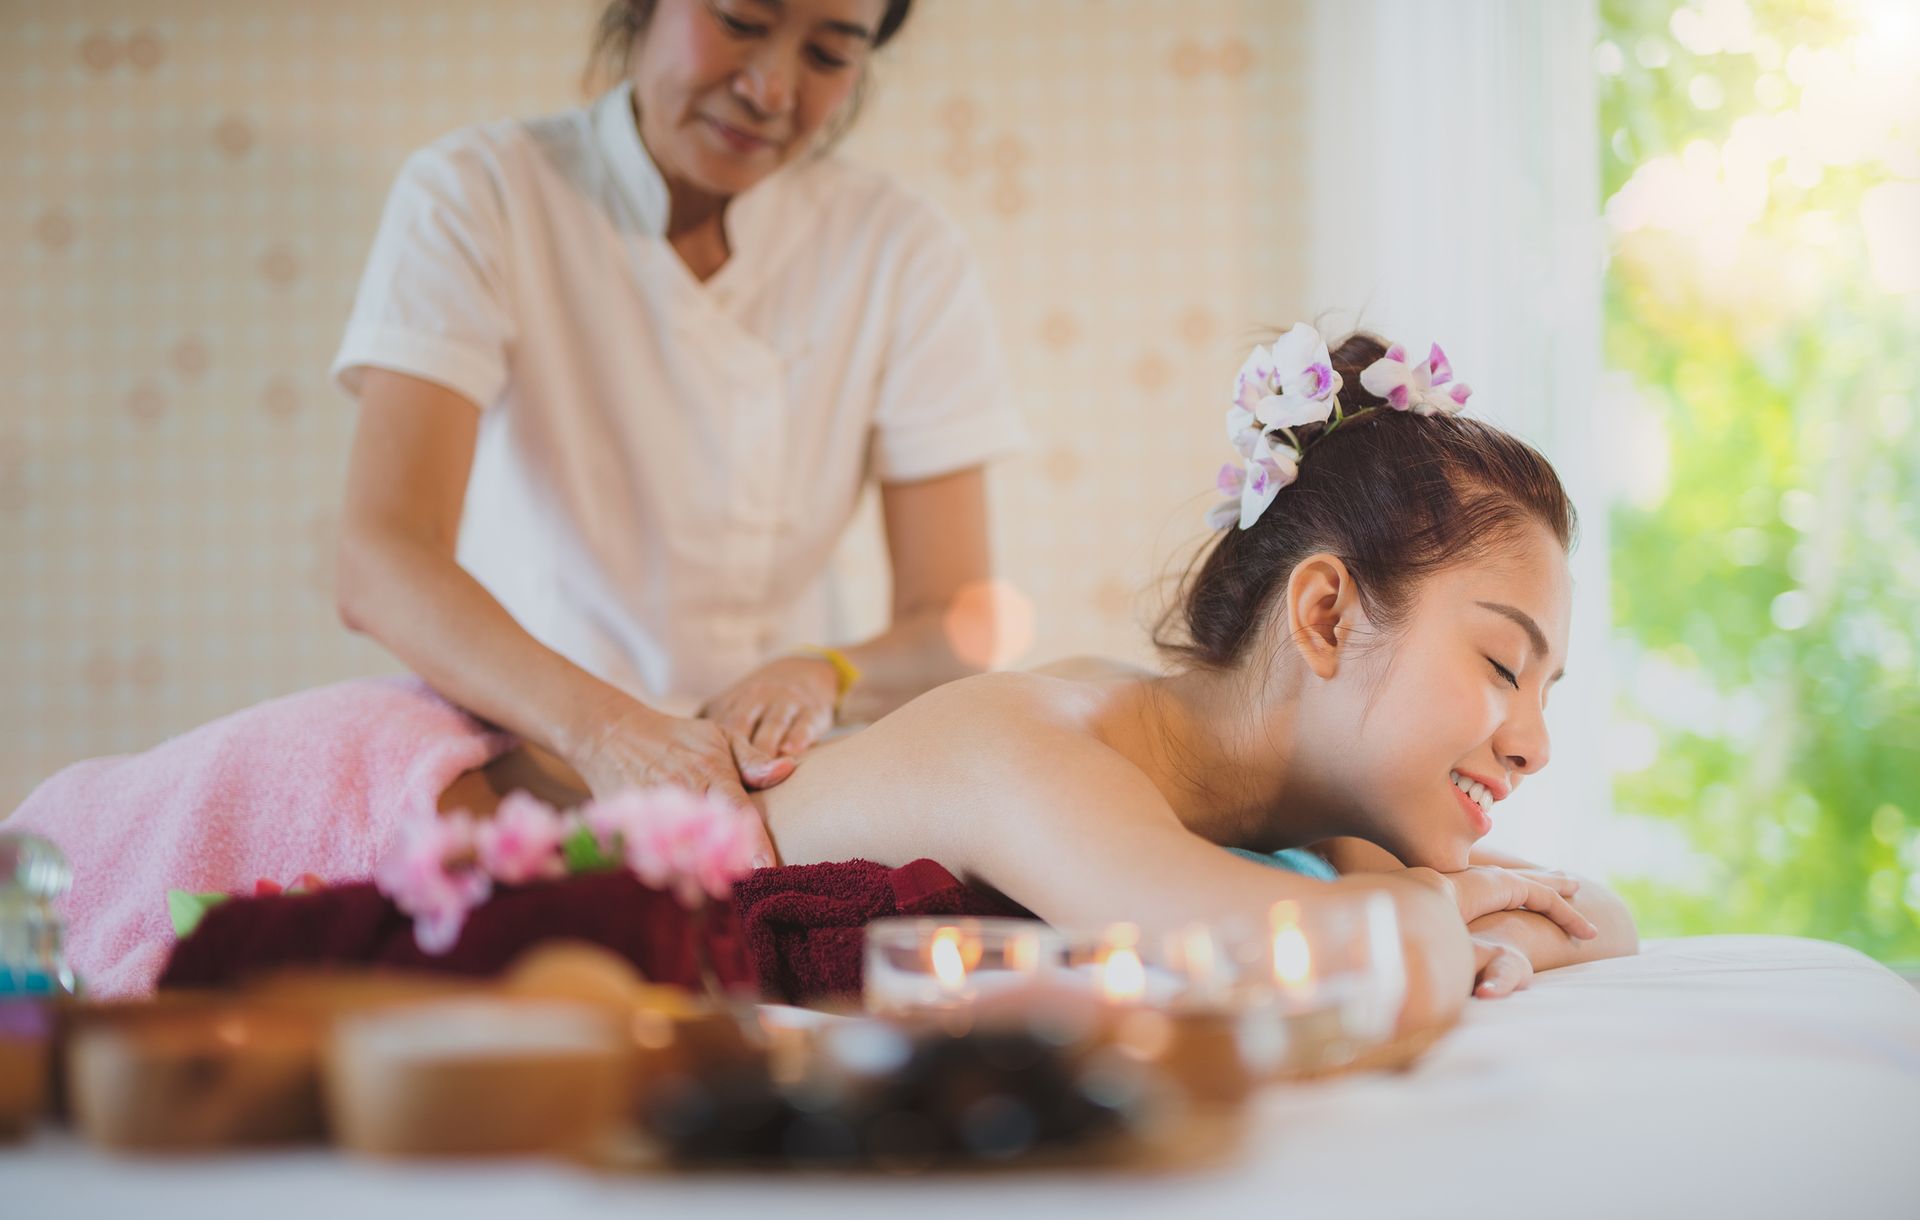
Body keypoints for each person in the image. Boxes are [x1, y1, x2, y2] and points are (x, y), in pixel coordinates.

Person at [8, 328, 1637, 1028]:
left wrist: (1500, 921)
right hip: (392, 816)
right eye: (1506, 665)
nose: (1535, 738)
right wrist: (1460, 928)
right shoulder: (1045, 746)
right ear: (1331, 617)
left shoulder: (1311, 820)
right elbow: (1295, 957)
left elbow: (1561, 919)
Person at [331, 0, 1024, 870]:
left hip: (784, 783)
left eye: (828, 52)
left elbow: (952, 623)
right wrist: (611, 733)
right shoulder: (482, 193)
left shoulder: (899, 247)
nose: (772, 88)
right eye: (739, 21)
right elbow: (380, 557)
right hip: (531, 766)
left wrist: (825, 671)